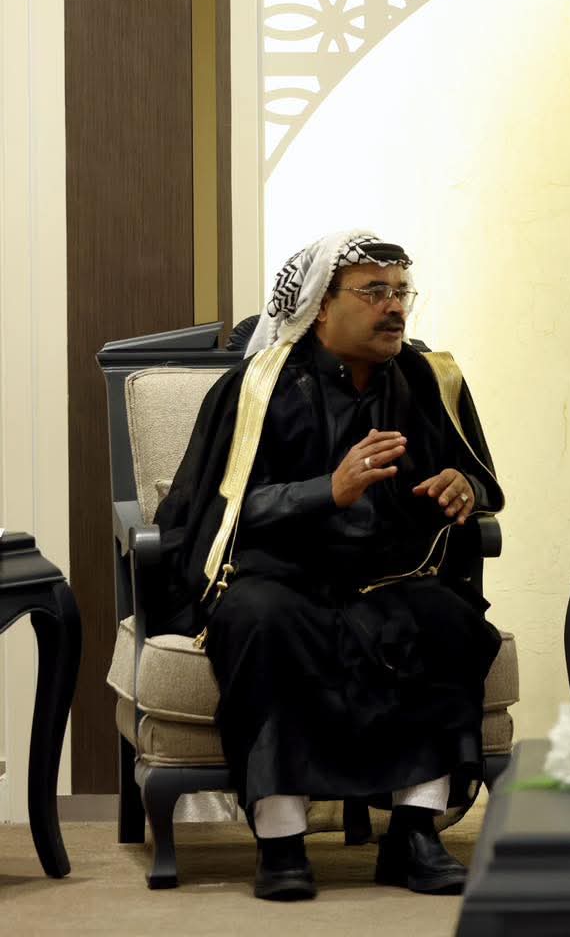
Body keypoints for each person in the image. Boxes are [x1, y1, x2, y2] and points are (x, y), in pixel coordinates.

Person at [150, 231, 505, 900]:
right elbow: (214, 511)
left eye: (401, 292)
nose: (394, 307)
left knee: (448, 623)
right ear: (319, 306)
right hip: (278, 578)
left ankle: (414, 834)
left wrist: (463, 485)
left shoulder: (428, 380)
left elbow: (479, 477)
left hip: (390, 578)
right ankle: (281, 841)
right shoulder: (256, 389)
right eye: (374, 293)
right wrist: (326, 491)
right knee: (262, 622)